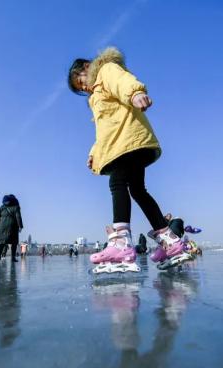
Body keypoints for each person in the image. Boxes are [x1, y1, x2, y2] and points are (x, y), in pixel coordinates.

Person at [68, 47, 191, 272]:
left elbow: (123, 81)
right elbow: (104, 130)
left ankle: (121, 244)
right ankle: (170, 241)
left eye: (81, 81)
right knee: (137, 190)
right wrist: (94, 154)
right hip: (123, 143)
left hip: (126, 142)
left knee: (117, 184)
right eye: (80, 88)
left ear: (87, 67)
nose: (84, 87)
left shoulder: (105, 70)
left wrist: (135, 93)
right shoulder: (96, 96)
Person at [0, 194, 23, 263]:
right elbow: (18, 217)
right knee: (14, 243)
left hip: (3, 227)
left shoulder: (1, 207)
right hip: (13, 227)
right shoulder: (16, 207)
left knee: (2, 243)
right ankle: (13, 257)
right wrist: (20, 226)